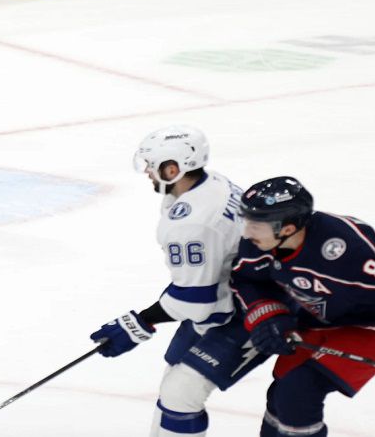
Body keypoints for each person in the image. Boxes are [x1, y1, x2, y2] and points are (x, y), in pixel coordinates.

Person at [89, 125, 269, 436]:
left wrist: (140, 321)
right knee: (174, 374)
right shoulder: (211, 183)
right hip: (233, 294)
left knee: (180, 394)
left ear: (173, 169)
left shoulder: (192, 223)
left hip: (255, 308)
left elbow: (196, 302)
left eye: (152, 166)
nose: (148, 172)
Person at [232, 176, 375, 437]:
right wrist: (268, 315)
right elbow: (246, 279)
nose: (246, 233)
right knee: (281, 391)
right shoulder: (259, 244)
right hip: (322, 317)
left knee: (299, 391)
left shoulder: (345, 251)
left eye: (256, 225)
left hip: (373, 326)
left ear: (286, 228)